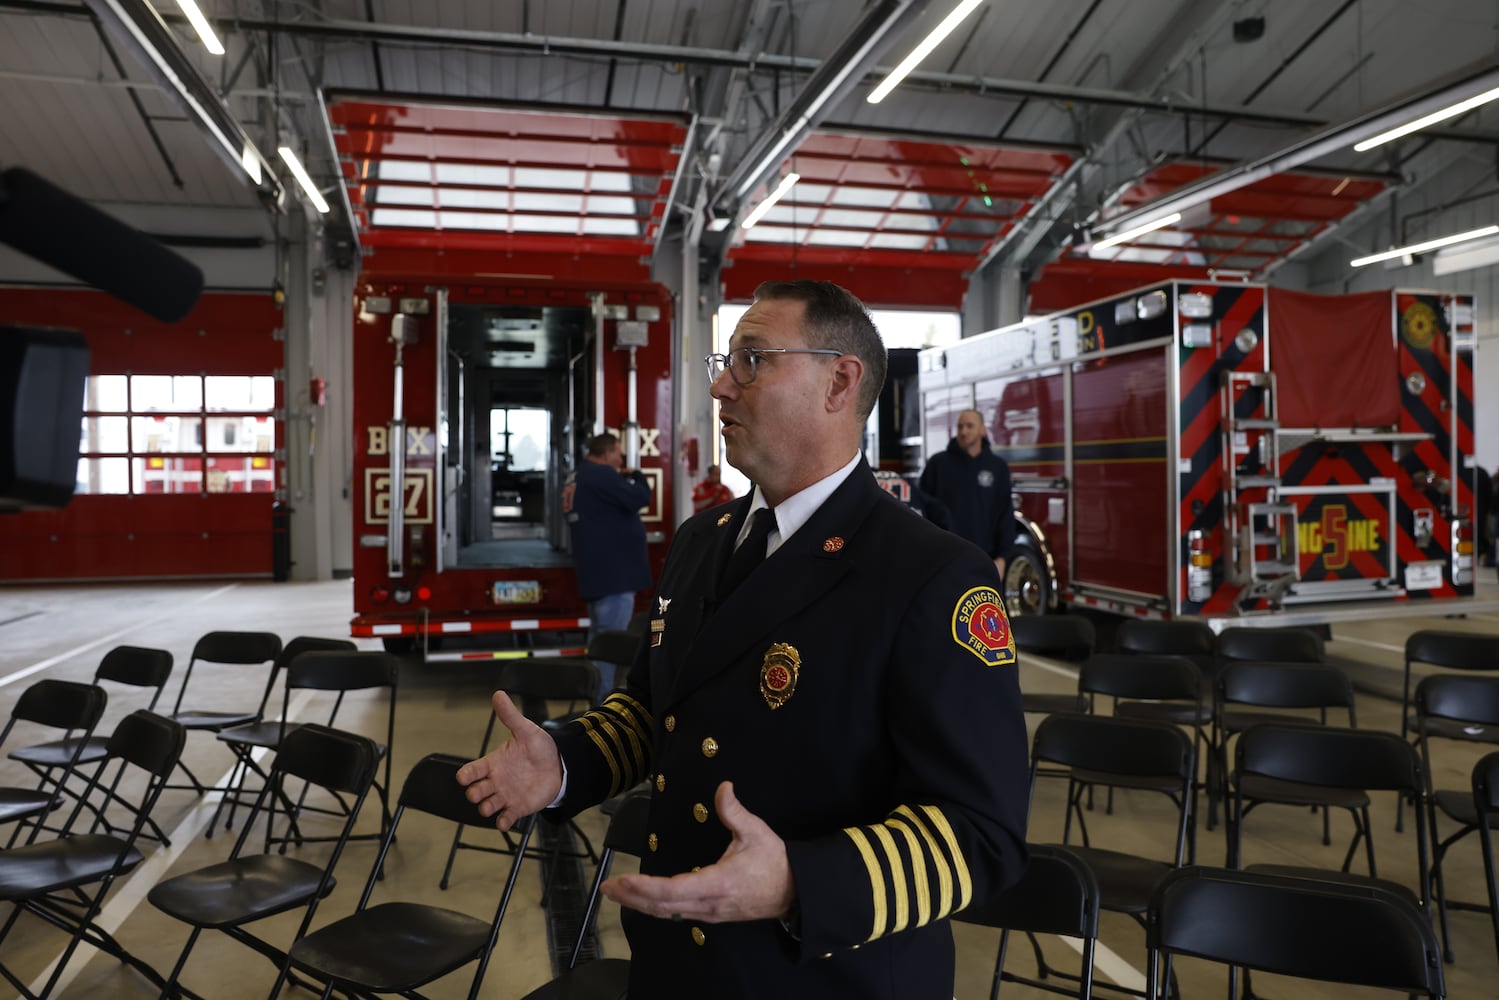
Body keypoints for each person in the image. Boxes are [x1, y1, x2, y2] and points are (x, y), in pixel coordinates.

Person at [458, 280, 1028, 998]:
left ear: (838, 381)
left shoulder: (932, 575)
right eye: (725, 363)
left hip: (819, 975)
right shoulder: (704, 539)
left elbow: (981, 833)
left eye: (753, 360)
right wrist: (566, 763)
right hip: (673, 967)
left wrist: (801, 882)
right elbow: (653, 708)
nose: (722, 386)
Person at [566, 432, 652, 695]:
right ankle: (601, 709)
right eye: (617, 453)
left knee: (599, 644)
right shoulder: (601, 475)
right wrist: (635, 474)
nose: (620, 459)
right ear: (606, 454)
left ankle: (595, 701)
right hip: (613, 578)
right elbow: (640, 498)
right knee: (610, 648)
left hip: (597, 576)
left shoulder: (578, 476)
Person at [919, 408, 1017, 580]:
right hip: (945, 559)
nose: (964, 431)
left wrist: (1002, 558)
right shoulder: (938, 464)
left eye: (969, 426)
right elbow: (921, 509)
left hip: (984, 558)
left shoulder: (997, 467)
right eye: (960, 426)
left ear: (982, 430)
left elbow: (1005, 514)